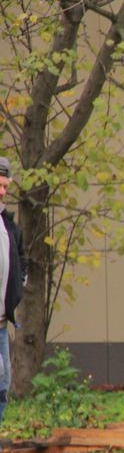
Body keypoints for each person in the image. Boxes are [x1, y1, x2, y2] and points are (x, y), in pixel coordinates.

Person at [0, 157, 26, 427]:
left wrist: (20, 283)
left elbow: (21, 256)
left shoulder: (7, 225)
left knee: (2, 385)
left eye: (6, 186)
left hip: (1, 321)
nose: (2, 191)